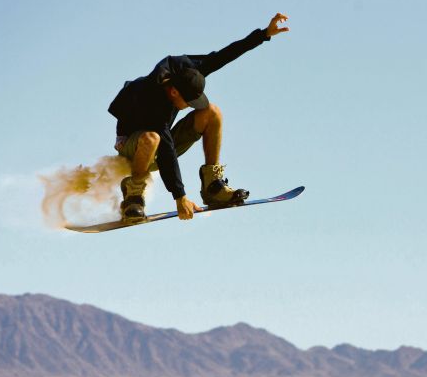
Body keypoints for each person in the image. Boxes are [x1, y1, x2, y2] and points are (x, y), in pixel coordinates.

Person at [108, 13, 290, 221]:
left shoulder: (185, 71)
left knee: (212, 112)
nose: (189, 108)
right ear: (174, 92)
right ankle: (134, 195)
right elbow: (166, 150)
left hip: (160, 141)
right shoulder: (152, 97)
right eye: (189, 103)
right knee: (153, 138)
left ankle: (212, 186)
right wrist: (180, 197)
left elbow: (222, 56)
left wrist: (264, 34)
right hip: (132, 149)